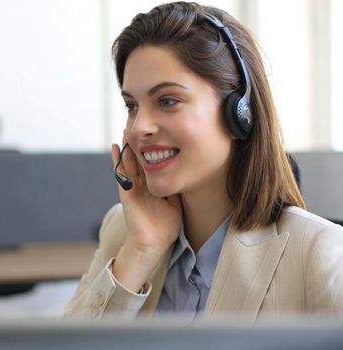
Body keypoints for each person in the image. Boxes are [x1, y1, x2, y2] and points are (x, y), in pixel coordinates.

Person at [62, 1, 343, 321]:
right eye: (132, 106)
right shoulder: (122, 230)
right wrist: (140, 250)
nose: (139, 128)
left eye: (167, 101)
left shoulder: (319, 254)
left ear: (240, 113)